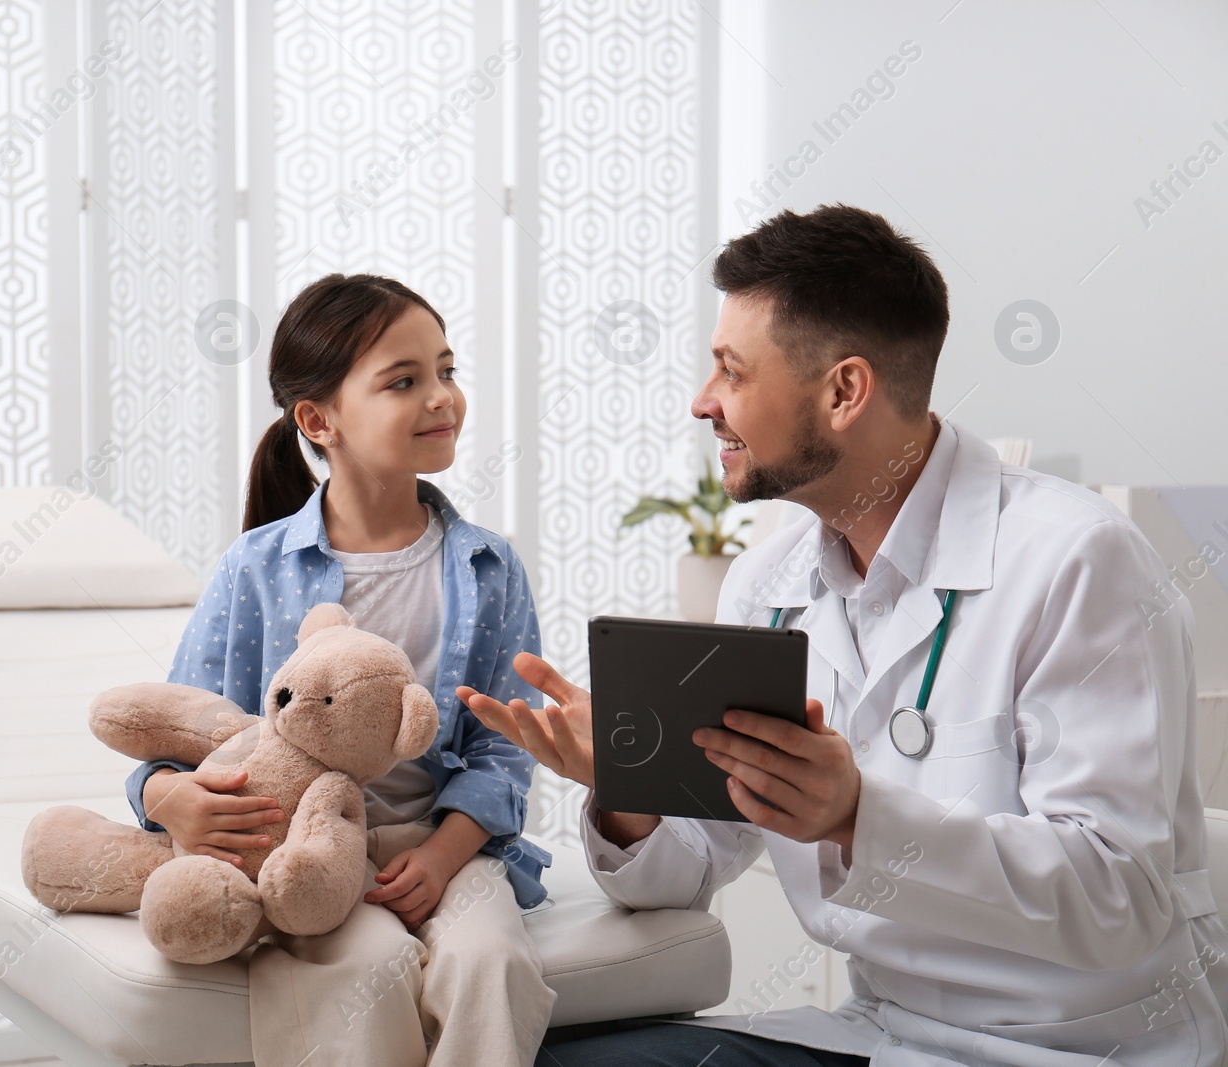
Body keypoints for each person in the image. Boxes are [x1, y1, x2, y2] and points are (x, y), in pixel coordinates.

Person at [460, 204, 1228, 1066]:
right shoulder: (768, 583)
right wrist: (630, 788)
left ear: (843, 391)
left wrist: (859, 813)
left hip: (1087, 1048)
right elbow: (696, 863)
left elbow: (1117, 899)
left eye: (731, 371)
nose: (702, 401)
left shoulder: (1078, 560)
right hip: (886, 1037)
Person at [125, 273, 557, 1067]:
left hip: (440, 844)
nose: (442, 398)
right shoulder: (255, 570)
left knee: (491, 961)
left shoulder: (490, 568)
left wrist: (438, 858)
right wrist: (168, 799)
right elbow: (180, 731)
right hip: (308, 854)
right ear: (319, 420)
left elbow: (507, 751)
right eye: (404, 381)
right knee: (366, 966)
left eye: (447, 371)